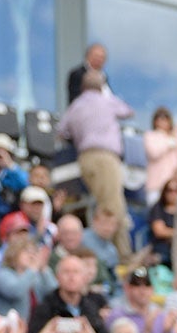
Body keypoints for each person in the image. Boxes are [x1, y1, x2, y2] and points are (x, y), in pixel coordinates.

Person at [55, 69, 134, 261]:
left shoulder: (76, 105)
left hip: (85, 159)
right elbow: (128, 111)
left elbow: (61, 130)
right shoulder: (106, 100)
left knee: (103, 204)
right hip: (104, 158)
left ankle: (111, 253)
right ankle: (123, 256)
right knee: (113, 207)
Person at [26, 250, 111, 333]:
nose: (71, 277)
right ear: (57, 277)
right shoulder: (45, 308)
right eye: (66, 272)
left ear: (84, 278)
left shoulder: (91, 307)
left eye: (76, 272)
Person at [143, 107, 177, 206]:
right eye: (159, 118)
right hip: (156, 187)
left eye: (165, 118)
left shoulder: (176, 137)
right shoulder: (150, 136)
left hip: (173, 188)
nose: (161, 121)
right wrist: (170, 141)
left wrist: (175, 137)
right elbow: (154, 153)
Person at [66, 41, 108, 106]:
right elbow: (76, 100)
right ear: (88, 56)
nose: (100, 60)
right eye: (97, 57)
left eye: (102, 58)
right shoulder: (78, 74)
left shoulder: (103, 76)